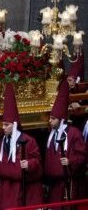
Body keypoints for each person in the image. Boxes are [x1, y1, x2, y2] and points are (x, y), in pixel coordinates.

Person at [0, 84, 43, 209]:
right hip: (4, 188)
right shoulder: (2, 140)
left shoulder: (28, 141)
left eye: (6, 125)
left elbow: (37, 161)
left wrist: (29, 164)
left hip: (22, 189)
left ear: (14, 125)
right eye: (3, 125)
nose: (3, 128)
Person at [44, 80, 86, 208]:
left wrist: (70, 162)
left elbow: (82, 155)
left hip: (68, 183)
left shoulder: (74, 133)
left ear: (61, 119)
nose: (50, 121)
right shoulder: (51, 134)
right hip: (53, 185)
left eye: (53, 118)